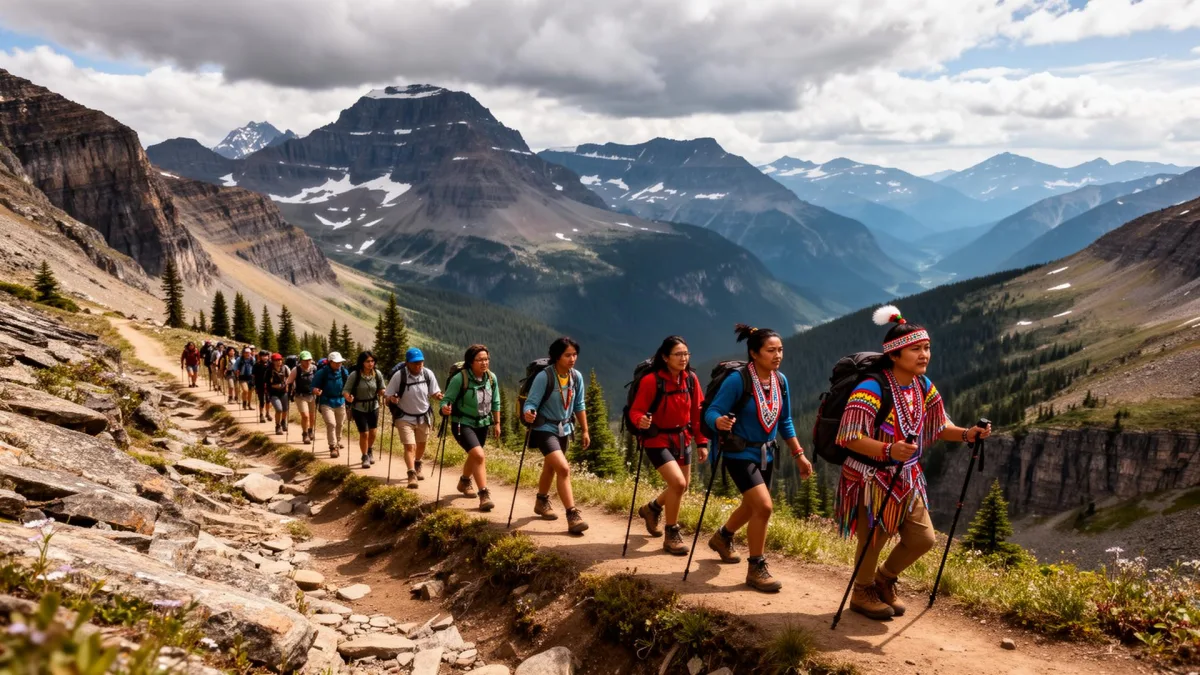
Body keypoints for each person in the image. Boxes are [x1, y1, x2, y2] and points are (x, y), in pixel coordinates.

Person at [835, 305, 992, 620]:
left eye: (927, 348)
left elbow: (938, 425)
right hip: (870, 477)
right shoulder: (871, 389)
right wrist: (888, 450)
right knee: (874, 537)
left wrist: (967, 435)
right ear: (894, 355)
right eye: (916, 349)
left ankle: (884, 578)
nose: (924, 355)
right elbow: (848, 436)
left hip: (907, 476)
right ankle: (862, 591)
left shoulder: (922, 386)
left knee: (923, 538)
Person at [703, 324, 811, 593]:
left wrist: (798, 454)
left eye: (780, 349)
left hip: (766, 453)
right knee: (763, 507)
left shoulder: (780, 380)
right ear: (754, 353)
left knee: (752, 506)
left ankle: (723, 536)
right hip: (738, 452)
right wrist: (718, 421)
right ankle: (756, 567)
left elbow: (784, 420)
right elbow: (712, 410)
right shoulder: (738, 380)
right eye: (771, 350)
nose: (778, 355)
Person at [628, 336, 708, 555]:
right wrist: (640, 420)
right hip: (657, 439)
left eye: (686, 354)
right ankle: (671, 533)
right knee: (678, 484)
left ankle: (652, 508)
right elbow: (636, 410)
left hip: (683, 437)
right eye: (678, 354)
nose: (684, 358)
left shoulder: (690, 379)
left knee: (682, 484)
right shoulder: (652, 381)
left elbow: (697, 413)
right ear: (665, 357)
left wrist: (701, 441)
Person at [521, 337, 589, 534]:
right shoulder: (545, 377)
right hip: (544, 429)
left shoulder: (576, 377)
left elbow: (579, 405)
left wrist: (585, 430)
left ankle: (541, 501)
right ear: (557, 356)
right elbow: (531, 402)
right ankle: (572, 515)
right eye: (568, 355)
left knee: (550, 468)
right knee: (564, 469)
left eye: (575, 354)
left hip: (565, 430)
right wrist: (529, 411)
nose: (572, 359)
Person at [440, 345, 500, 512]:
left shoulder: (491, 378)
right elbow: (446, 399)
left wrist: (497, 423)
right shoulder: (460, 378)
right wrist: (445, 408)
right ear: (470, 362)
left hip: (482, 424)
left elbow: (496, 401)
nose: (484, 363)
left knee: (474, 456)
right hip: (462, 423)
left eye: (486, 359)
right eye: (479, 360)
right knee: (479, 455)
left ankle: (465, 481)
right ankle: (484, 495)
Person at [385, 347, 443, 489]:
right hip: (404, 417)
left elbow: (434, 392)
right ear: (407, 363)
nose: (418, 366)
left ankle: (418, 463)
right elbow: (387, 396)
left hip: (423, 416)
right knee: (410, 446)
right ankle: (411, 474)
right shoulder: (399, 376)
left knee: (421, 444)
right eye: (415, 363)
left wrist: (439, 396)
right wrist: (391, 399)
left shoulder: (428, 374)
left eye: (420, 363)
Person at [344, 351, 387, 469]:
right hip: (358, 407)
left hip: (374, 406)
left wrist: (385, 393)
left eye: (372, 361)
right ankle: (364, 456)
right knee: (364, 433)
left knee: (373, 433)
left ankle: (369, 450)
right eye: (368, 361)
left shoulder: (377, 374)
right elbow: (346, 390)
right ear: (362, 362)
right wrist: (348, 397)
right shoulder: (355, 375)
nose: (371, 363)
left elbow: (381, 389)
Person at [312, 351, 349, 458]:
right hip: (326, 402)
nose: (339, 364)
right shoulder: (322, 372)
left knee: (340, 424)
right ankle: (333, 447)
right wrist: (315, 390)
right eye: (336, 362)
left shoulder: (343, 371)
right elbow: (313, 386)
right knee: (331, 424)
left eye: (340, 362)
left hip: (341, 401)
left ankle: (337, 441)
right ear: (330, 362)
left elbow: (348, 385)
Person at [287, 351, 318, 443]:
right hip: (300, 396)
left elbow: (318, 380)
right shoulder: (296, 370)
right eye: (305, 360)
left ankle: (310, 431)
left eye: (309, 360)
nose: (307, 362)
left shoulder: (314, 368)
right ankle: (305, 434)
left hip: (312, 395)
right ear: (301, 361)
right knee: (305, 416)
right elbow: (289, 381)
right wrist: (289, 392)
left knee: (312, 416)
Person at [267, 353, 292, 435]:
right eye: (277, 360)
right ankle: (278, 426)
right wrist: (274, 386)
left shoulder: (284, 368)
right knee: (279, 409)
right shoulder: (269, 371)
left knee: (285, 409)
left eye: (280, 360)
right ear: (273, 361)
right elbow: (266, 383)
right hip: (273, 393)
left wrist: (286, 385)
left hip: (283, 392)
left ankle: (283, 422)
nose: (279, 362)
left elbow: (289, 377)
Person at [253, 350, 273, 424]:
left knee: (268, 400)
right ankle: (261, 415)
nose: (265, 357)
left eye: (266, 356)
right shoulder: (256, 365)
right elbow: (253, 375)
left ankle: (267, 413)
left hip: (269, 385)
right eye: (263, 356)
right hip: (259, 385)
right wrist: (254, 384)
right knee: (262, 400)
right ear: (260, 357)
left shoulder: (270, 364)